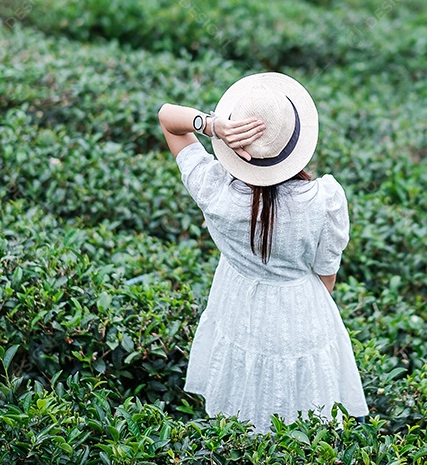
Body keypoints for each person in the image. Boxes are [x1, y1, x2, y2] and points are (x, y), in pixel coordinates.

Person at [157, 72, 368, 433]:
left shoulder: (213, 189)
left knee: (240, 412)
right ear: (296, 140)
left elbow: (168, 118)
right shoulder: (325, 200)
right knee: (305, 421)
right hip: (302, 309)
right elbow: (327, 273)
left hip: (236, 304)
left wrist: (210, 125)